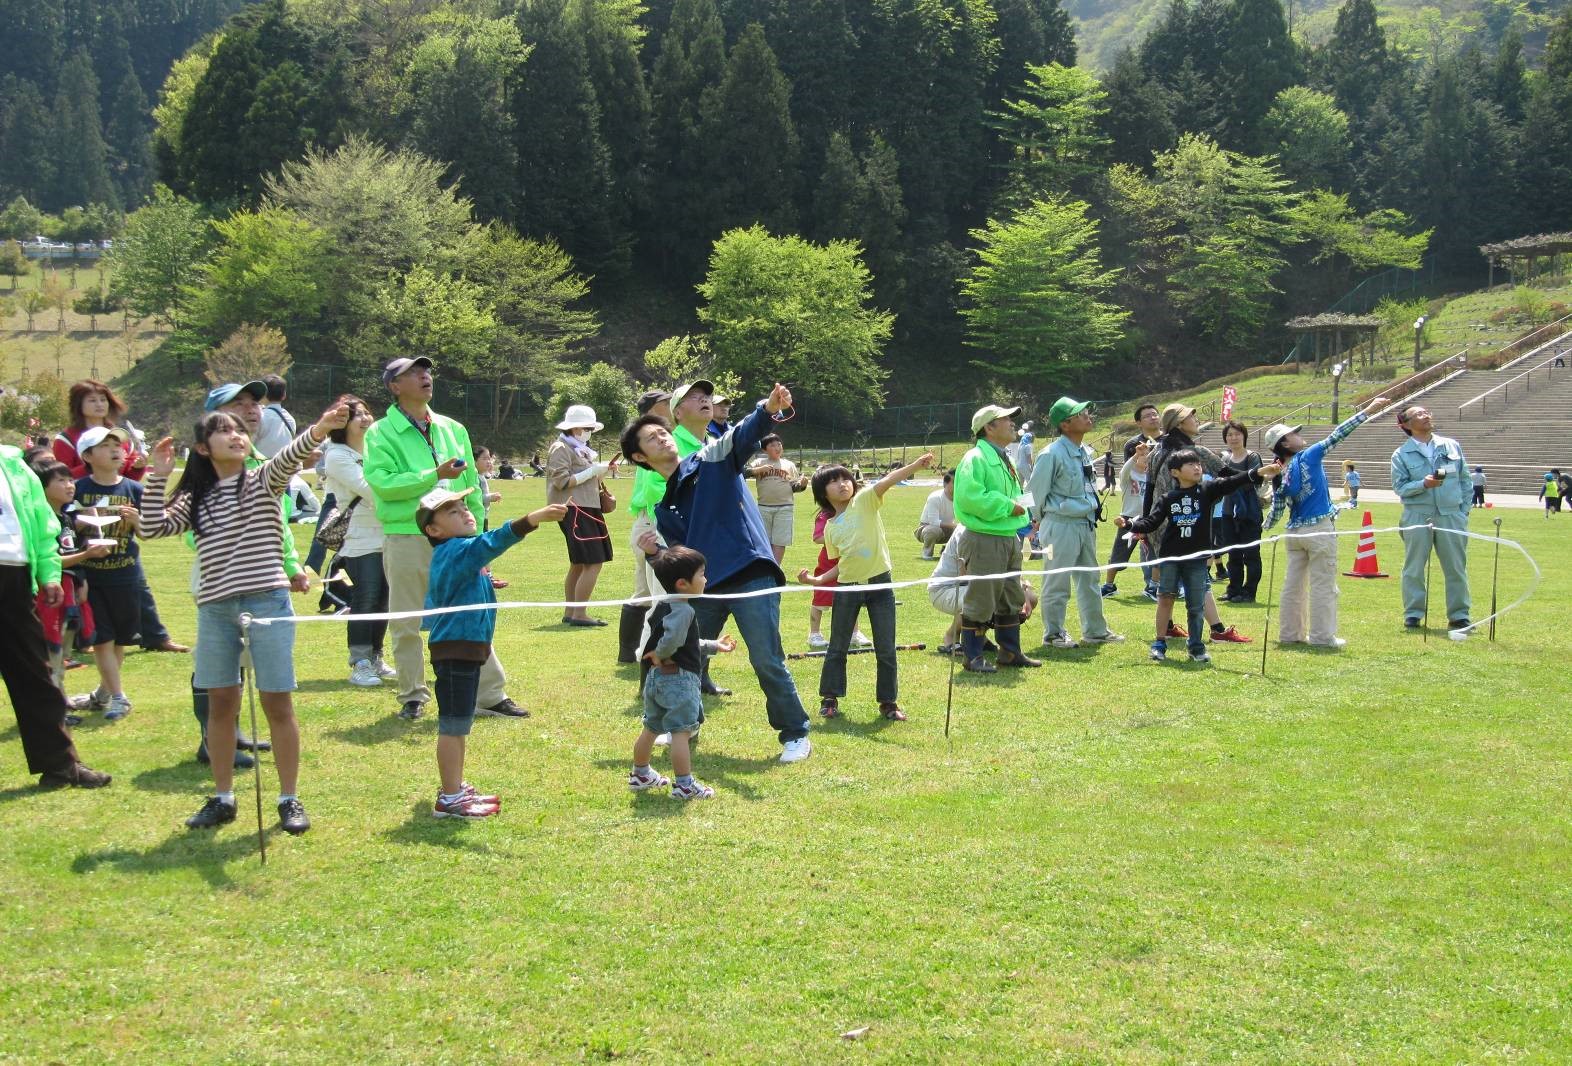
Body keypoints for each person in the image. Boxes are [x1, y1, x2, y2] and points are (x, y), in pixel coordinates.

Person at [140, 401, 353, 833]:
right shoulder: (193, 497)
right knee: (221, 703)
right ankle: (222, 797)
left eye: (239, 429)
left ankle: (289, 798)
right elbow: (151, 528)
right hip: (216, 610)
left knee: (277, 701)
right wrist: (157, 475)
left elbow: (290, 456)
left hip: (268, 603)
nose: (236, 435)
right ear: (202, 448)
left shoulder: (262, 480)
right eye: (223, 431)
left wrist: (322, 427)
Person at [621, 383, 814, 764]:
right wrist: (655, 551)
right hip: (704, 586)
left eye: (662, 432)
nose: (662, 438)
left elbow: (743, 432)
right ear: (639, 457)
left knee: (766, 658)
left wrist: (767, 408)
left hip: (750, 573)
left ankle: (796, 735)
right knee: (687, 657)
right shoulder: (664, 508)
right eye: (652, 438)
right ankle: (685, 724)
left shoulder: (710, 459)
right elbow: (679, 560)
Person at [364, 356, 526, 721]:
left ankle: (489, 694)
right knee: (407, 619)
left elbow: (469, 491)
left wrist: (479, 542)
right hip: (407, 535)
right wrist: (431, 474)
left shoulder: (452, 428)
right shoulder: (380, 433)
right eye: (414, 373)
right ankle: (412, 695)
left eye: (427, 371)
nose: (425, 377)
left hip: (457, 542)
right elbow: (383, 485)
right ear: (394, 386)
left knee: (471, 613)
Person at [418, 486, 567, 818]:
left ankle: (454, 785)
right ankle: (450, 798)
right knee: (453, 725)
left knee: (461, 723)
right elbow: (493, 541)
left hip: (464, 649)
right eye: (452, 511)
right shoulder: (458, 550)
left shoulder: (456, 553)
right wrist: (534, 518)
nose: (465, 511)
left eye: (463, 506)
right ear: (434, 529)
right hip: (456, 651)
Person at [0, 441, 112, 790]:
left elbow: (43, 525)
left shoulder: (14, 466)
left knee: (35, 674)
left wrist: (49, 574)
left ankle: (61, 766)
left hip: (13, 575)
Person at [52, 378, 186, 654]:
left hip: (121, 520)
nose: (99, 404)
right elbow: (60, 476)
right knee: (84, 585)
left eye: (103, 399)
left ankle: (155, 636)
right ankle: (85, 637)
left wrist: (134, 467)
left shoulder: (117, 434)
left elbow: (128, 482)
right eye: (92, 400)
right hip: (86, 518)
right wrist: (93, 472)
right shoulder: (67, 438)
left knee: (136, 583)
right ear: (79, 406)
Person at [798, 453, 934, 722]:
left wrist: (916, 466)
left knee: (886, 646)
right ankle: (829, 698)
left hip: (881, 585)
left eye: (845, 478)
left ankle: (889, 703)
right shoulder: (830, 528)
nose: (842, 484)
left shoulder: (865, 500)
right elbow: (841, 564)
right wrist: (817, 580)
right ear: (822, 493)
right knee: (837, 646)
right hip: (847, 588)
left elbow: (888, 480)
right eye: (833, 481)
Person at [1262, 395, 1389, 648]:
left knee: (1293, 586)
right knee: (1323, 585)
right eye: (1294, 433)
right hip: (1319, 528)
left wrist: (1264, 527)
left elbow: (1276, 510)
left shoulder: (1279, 471)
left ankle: (1290, 634)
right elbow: (1338, 433)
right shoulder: (1308, 455)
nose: (1299, 435)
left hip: (1294, 532)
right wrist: (1368, 410)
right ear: (1286, 442)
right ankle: (1322, 637)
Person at [1130, 450, 1279, 663]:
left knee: (1195, 604)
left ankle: (1196, 647)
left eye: (1198, 464)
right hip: (1171, 558)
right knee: (1165, 599)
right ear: (1175, 472)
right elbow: (1151, 521)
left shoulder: (1207, 490)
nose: (1197, 468)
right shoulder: (1168, 498)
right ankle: (1159, 643)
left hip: (1197, 560)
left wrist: (1261, 471)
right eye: (1190, 465)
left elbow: (1234, 480)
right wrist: (1131, 525)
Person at [629, 545, 736, 801]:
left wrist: (713, 645)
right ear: (682, 583)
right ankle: (684, 785)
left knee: (651, 727)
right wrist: (661, 653)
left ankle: (640, 774)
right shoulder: (684, 610)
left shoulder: (665, 606)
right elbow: (673, 639)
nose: (705, 579)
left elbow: (685, 641)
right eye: (701, 574)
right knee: (681, 732)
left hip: (657, 679)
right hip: (678, 680)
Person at [1143, 404, 1253, 646]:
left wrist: (1145, 528)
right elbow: (1228, 475)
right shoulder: (1195, 452)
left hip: (1160, 525)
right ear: (1180, 423)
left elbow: (1149, 493)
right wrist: (1258, 476)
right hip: (1188, 523)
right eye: (1191, 416)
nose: (1196, 419)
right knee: (1198, 577)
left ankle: (1168, 628)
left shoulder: (1155, 453)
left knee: (1166, 580)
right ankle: (1217, 629)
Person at [1027, 397, 1123, 649]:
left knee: (1090, 580)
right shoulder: (1050, 454)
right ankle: (1054, 634)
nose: (1087, 416)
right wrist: (1036, 522)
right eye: (1079, 414)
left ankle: (1095, 630)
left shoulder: (1084, 451)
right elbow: (1034, 493)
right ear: (1065, 424)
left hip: (1085, 522)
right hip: (1060, 524)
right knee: (1057, 580)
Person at [951, 404, 1039, 672]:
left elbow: (1017, 494)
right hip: (983, 537)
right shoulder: (975, 458)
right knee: (981, 597)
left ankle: (1010, 652)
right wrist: (1009, 506)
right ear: (989, 427)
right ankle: (973, 656)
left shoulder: (1005, 458)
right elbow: (971, 497)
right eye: (1006, 419)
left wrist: (1027, 514)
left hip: (1008, 535)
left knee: (1010, 595)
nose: (1013, 424)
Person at [72, 426, 146, 721]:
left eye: (118, 444)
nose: (116, 449)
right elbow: (63, 530)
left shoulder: (133, 489)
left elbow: (150, 533)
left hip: (126, 575)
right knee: (101, 638)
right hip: (91, 578)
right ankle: (119, 697)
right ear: (87, 456)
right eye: (106, 445)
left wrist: (138, 520)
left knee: (119, 640)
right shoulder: (78, 489)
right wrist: (81, 522)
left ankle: (103, 693)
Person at [321, 395, 394, 687]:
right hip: (360, 538)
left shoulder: (376, 450)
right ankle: (360, 662)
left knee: (385, 600)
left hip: (388, 533)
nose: (365, 418)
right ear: (342, 423)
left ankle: (376, 655)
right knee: (366, 596)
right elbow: (370, 491)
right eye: (356, 415)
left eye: (366, 412)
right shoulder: (337, 455)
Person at [29, 458, 111, 720]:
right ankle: (53, 709)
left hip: (70, 590)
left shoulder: (66, 517)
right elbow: (49, 560)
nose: (69, 485)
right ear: (42, 487)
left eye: (70, 479)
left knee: (63, 652)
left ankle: (60, 700)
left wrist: (81, 580)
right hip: (50, 593)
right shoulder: (38, 519)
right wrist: (86, 555)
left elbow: (69, 551)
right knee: (49, 652)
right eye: (61, 481)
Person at [1390, 405, 1472, 631]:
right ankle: (1413, 614)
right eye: (1418, 414)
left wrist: (1463, 510)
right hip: (1418, 514)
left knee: (1456, 567)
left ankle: (1459, 616)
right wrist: (1423, 484)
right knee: (1414, 568)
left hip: (1450, 514)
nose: (1426, 416)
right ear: (1405, 425)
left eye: (1426, 412)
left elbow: (1465, 479)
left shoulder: (1450, 445)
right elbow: (1399, 487)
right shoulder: (1401, 454)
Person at [546, 404, 615, 626]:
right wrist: (591, 472)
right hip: (576, 509)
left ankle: (571, 611)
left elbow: (583, 478)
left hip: (586, 506)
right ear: (575, 429)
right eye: (587, 428)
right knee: (593, 561)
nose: (589, 433)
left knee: (579, 562)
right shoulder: (561, 448)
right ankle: (579, 613)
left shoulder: (579, 448)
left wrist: (599, 472)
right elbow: (561, 481)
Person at [621, 390, 673, 664]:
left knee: (644, 591)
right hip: (653, 523)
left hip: (646, 522)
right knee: (659, 596)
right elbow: (656, 489)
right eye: (666, 403)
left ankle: (629, 653)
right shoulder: (650, 446)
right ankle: (646, 654)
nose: (672, 406)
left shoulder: (654, 442)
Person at [928, 523, 1037, 650]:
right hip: (945, 589)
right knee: (985, 595)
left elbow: (1013, 569)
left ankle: (980, 636)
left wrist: (1023, 595)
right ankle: (951, 636)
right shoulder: (966, 531)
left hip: (979, 586)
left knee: (1030, 596)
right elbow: (969, 574)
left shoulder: (1007, 530)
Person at [1217, 420, 1265, 603]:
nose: (1233, 438)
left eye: (1237, 434)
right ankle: (1233, 589)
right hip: (1228, 512)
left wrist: (1231, 479)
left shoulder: (1252, 457)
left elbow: (1254, 480)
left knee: (1251, 554)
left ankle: (1249, 592)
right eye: (1229, 434)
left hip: (1249, 512)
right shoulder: (1224, 458)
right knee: (1233, 553)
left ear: (1244, 436)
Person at [1101, 441, 1156, 600]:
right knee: (1118, 554)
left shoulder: (1151, 475)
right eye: (1143, 455)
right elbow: (1125, 469)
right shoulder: (1128, 476)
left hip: (1149, 519)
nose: (1146, 458)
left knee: (1155, 553)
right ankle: (1109, 585)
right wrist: (1136, 455)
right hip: (1128, 519)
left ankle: (1153, 586)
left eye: (1148, 455)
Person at [748, 432, 806, 565]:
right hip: (763, 507)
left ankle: (776, 569)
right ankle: (766, 568)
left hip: (785, 507)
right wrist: (758, 470)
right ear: (764, 449)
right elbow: (744, 472)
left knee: (780, 541)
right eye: (773, 445)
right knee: (764, 540)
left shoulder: (789, 465)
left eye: (779, 444)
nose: (777, 447)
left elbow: (794, 487)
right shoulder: (759, 462)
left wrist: (802, 485)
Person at [252, 374, 298, 457]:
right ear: (284, 395)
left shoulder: (258, 417)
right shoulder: (290, 419)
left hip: (261, 467)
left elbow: (249, 446)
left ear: (263, 395)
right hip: (284, 467)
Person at [915, 472, 957, 560]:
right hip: (926, 527)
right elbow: (933, 522)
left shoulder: (960, 499)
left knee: (965, 531)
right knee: (933, 530)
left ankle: (947, 551)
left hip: (949, 529)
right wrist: (955, 526)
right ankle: (927, 554)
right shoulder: (935, 497)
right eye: (954, 482)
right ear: (945, 484)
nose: (957, 485)